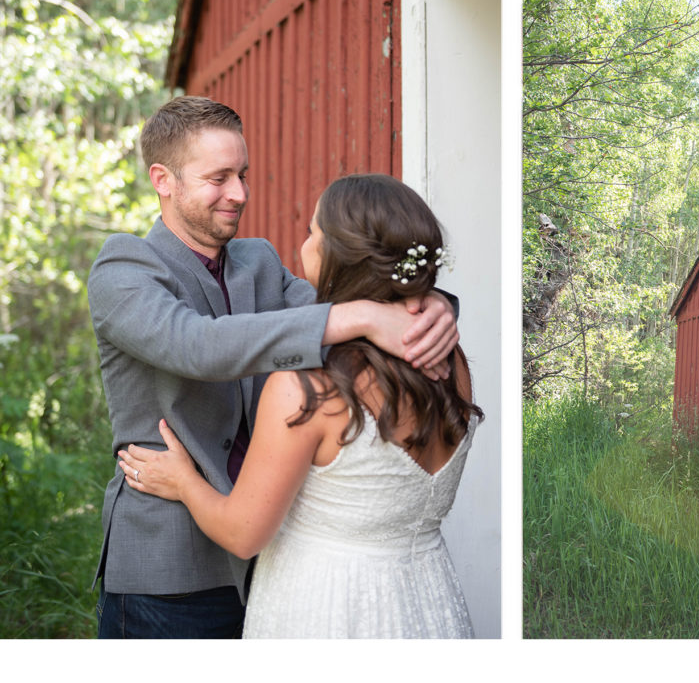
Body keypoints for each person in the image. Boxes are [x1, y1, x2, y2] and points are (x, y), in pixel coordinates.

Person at [87, 97, 458, 638]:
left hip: (273, 555)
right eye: (218, 178)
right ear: (163, 179)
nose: (239, 193)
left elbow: (364, 305)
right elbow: (198, 347)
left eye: (242, 174)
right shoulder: (123, 268)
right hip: (169, 567)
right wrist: (360, 313)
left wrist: (438, 305)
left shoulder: (259, 261)